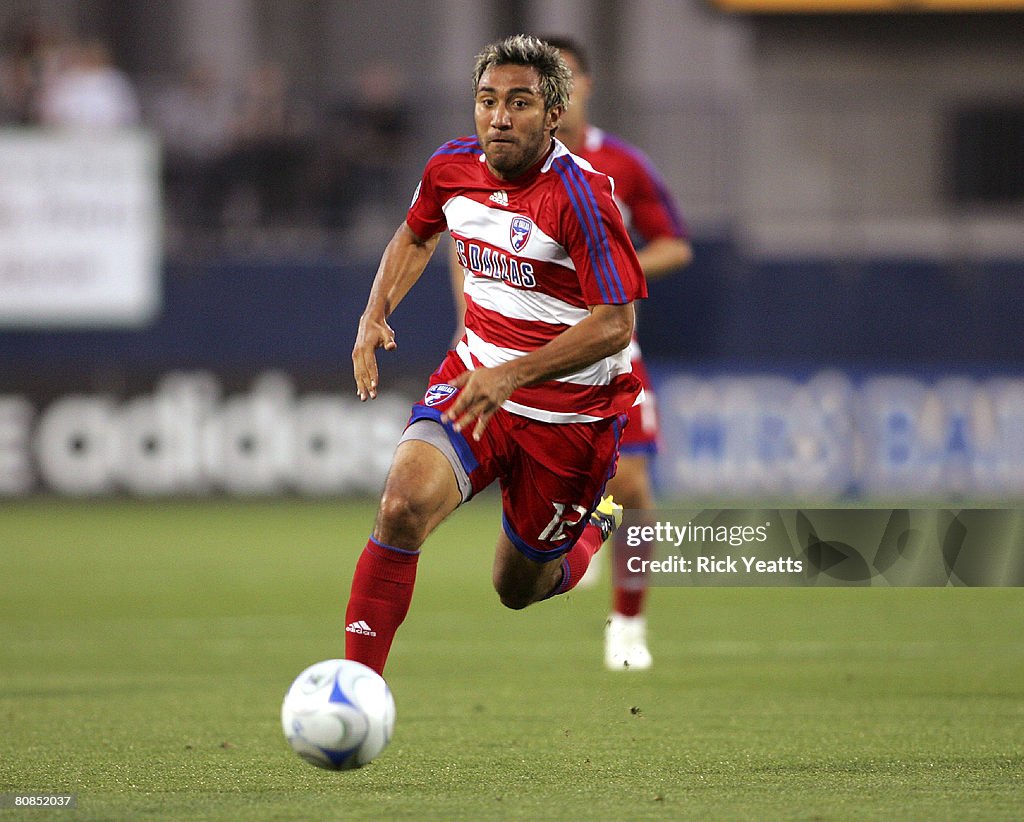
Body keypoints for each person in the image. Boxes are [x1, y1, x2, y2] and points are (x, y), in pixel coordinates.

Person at [346, 34, 647, 676]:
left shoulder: (583, 197)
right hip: (475, 380)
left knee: (517, 587)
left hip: (570, 419)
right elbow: (415, 233)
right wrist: (375, 315)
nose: (499, 117)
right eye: (487, 100)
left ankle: (595, 521)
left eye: (519, 102)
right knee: (401, 506)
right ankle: (356, 686)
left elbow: (615, 325)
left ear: (553, 115)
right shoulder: (451, 167)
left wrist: (513, 374)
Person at [449, 37, 692, 671]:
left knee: (634, 483)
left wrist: (606, 268)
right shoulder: (494, 160)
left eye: (572, 76)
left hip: (606, 345)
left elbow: (675, 243)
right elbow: (459, 234)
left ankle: (629, 625)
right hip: (520, 348)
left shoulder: (619, 164)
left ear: (577, 88)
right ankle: (569, 534)